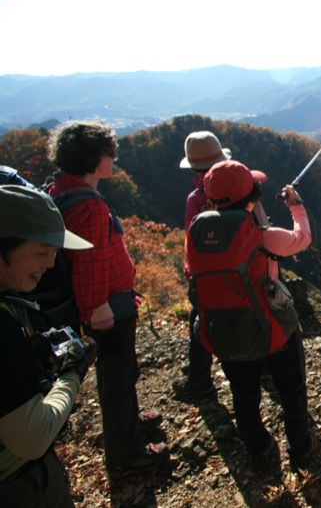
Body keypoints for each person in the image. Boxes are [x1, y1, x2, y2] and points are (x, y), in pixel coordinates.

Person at [45, 120, 168, 480]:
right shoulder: (91, 208)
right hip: (108, 309)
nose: (113, 156)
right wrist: (99, 314)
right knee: (117, 378)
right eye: (107, 151)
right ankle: (126, 454)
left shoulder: (63, 191)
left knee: (122, 373)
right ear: (94, 158)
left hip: (104, 307)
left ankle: (130, 423)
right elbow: (90, 267)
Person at [185, 159, 317, 472]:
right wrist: (296, 205)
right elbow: (302, 238)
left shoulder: (195, 235)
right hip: (272, 332)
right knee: (292, 391)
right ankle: (300, 449)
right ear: (253, 195)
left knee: (244, 397)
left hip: (224, 334)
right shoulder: (262, 236)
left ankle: (261, 450)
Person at [0, 184, 97, 506]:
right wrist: (72, 372)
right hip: (18, 484)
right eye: (42, 252)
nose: (51, 264)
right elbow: (30, 438)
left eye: (55, 253)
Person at [171, 131, 230, 398]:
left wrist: (190, 274)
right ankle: (259, 365)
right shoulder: (240, 188)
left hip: (206, 275)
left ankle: (199, 379)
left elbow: (191, 242)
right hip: (240, 268)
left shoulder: (195, 200)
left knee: (199, 320)